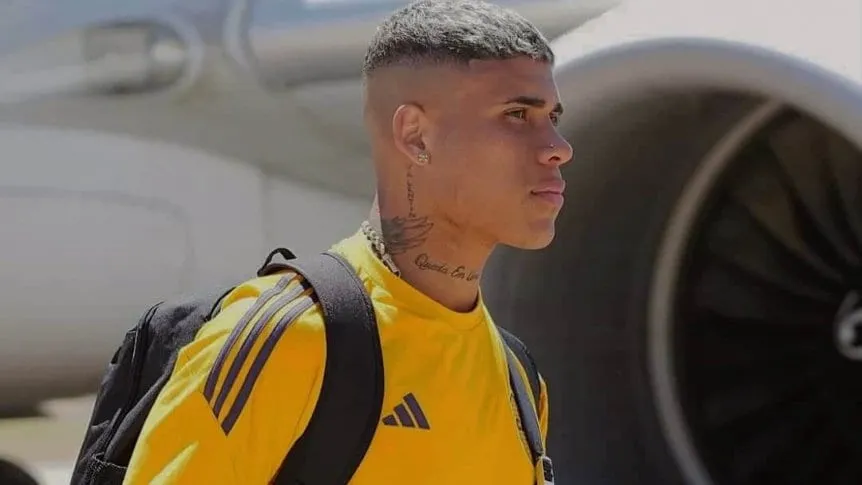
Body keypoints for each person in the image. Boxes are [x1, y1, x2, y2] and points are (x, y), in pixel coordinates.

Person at [121, 0, 573, 483]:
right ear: (416, 136)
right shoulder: (289, 340)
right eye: (517, 114)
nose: (558, 148)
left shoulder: (519, 379)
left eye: (553, 118)